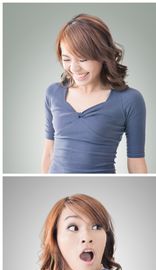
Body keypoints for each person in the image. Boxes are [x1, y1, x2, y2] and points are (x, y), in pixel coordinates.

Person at [42, 14, 147, 173]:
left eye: (83, 59)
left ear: (102, 56)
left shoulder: (130, 100)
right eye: (67, 59)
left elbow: (136, 161)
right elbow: (49, 152)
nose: (74, 68)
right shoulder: (53, 93)